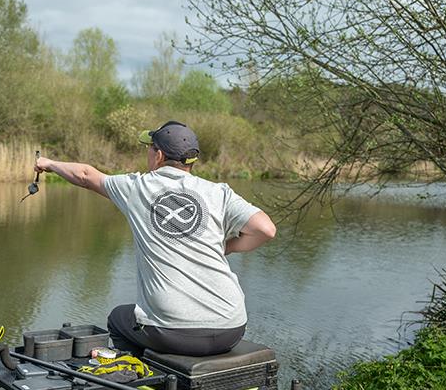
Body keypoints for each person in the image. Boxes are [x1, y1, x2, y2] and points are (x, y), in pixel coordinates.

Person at [34, 120, 276, 356]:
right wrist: (227, 247)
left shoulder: (137, 188)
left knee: (118, 319)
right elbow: (266, 229)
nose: (147, 154)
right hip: (231, 328)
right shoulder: (218, 192)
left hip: (172, 332)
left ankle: (136, 382)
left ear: (158, 155)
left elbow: (86, 175)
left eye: (148, 148)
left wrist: (49, 163)